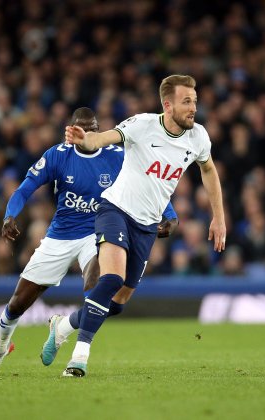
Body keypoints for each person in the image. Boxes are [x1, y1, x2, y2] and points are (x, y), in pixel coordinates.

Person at [0, 107, 178, 376]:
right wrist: (9, 215)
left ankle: (78, 354)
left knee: (100, 285)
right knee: (18, 302)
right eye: (83, 128)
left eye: (94, 128)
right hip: (60, 235)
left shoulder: (116, 156)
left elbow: (149, 183)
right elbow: (25, 188)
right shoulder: (57, 155)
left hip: (98, 230)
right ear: (72, 131)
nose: (89, 133)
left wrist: (170, 214)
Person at [61, 74, 226, 377]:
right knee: (111, 279)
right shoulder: (142, 124)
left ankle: (65, 324)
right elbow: (101, 138)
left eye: (195, 101)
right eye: (186, 101)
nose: (193, 108)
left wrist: (219, 217)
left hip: (147, 225)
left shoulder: (198, 136)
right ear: (168, 104)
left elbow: (209, 170)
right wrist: (86, 141)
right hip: (115, 210)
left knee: (120, 302)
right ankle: (78, 358)